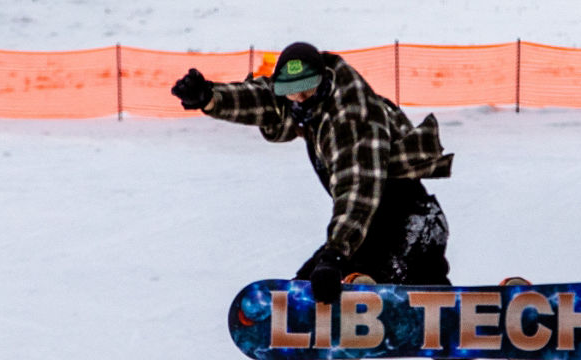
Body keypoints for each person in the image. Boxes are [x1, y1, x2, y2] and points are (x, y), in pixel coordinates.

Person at [172, 42, 456, 304]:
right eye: (292, 93)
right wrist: (210, 97)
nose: (299, 100)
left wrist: (335, 255)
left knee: (349, 278)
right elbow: (263, 99)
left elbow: (358, 188)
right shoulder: (303, 104)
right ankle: (363, 300)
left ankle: (366, 298)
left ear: (323, 83)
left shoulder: (351, 117)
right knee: (306, 289)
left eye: (307, 91)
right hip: (369, 229)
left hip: (407, 224)